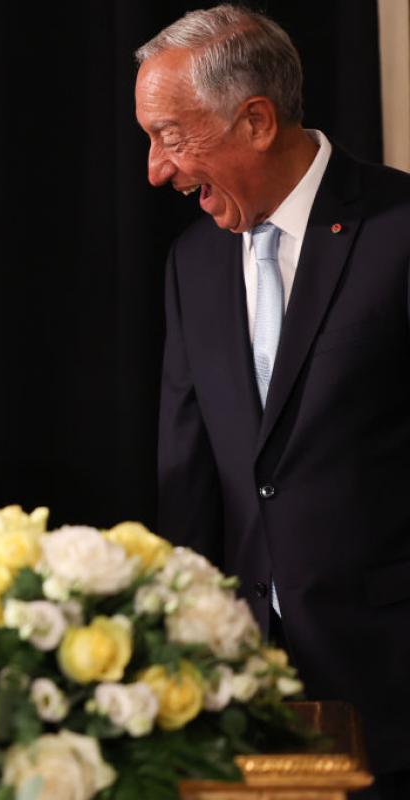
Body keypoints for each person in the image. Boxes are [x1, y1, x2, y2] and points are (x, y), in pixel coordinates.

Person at [135, 5, 410, 795]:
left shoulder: (398, 229)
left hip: (392, 686)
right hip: (242, 701)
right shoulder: (192, 263)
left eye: (170, 136)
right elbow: (187, 480)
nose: (157, 170)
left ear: (256, 120)